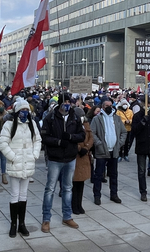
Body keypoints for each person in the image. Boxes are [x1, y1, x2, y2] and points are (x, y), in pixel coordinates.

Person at [40, 93, 85, 233]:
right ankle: (46, 219)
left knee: (67, 188)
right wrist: (58, 142)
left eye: (69, 102)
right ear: (60, 103)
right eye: (64, 102)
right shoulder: (51, 118)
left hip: (70, 158)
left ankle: (67, 216)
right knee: (50, 189)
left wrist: (71, 137)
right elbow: (45, 137)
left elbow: (82, 135)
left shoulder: (75, 117)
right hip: (55, 158)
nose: (67, 104)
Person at [0, 98, 42, 238]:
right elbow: (3, 142)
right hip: (15, 163)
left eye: (26, 110)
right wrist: (13, 156)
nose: (24, 112)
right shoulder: (9, 124)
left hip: (28, 162)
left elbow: (37, 140)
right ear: (17, 111)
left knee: (24, 194)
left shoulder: (32, 124)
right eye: (22, 110)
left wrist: (34, 154)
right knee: (14, 194)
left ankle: (22, 224)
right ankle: (13, 224)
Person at [91, 98, 127, 205]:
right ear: (102, 107)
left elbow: (124, 132)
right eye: (107, 106)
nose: (109, 107)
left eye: (111, 105)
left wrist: (119, 143)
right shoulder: (97, 119)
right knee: (99, 174)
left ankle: (114, 194)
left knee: (113, 174)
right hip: (102, 151)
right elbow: (92, 133)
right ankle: (97, 195)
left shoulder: (116, 118)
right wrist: (99, 144)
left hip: (114, 151)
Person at [72, 109, 94, 215]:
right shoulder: (72, 124)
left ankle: (79, 204)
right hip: (76, 156)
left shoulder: (86, 124)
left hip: (85, 155)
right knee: (75, 183)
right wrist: (80, 148)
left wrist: (87, 147)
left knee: (81, 182)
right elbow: (72, 139)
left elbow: (91, 137)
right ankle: (74, 204)